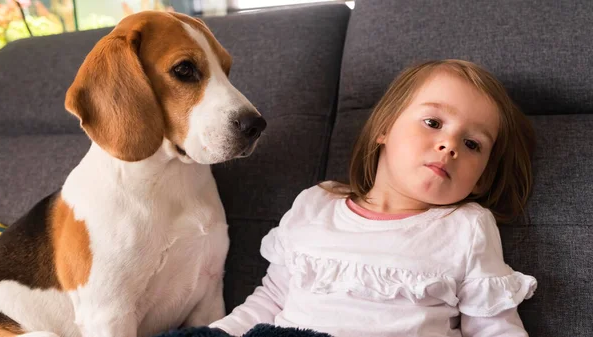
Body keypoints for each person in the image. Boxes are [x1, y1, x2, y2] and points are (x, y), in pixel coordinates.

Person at [210, 59, 537, 337]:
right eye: (433, 122)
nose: (449, 144)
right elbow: (272, 299)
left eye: (472, 144)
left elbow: (494, 328)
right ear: (384, 128)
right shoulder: (316, 204)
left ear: (481, 179)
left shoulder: (466, 228)